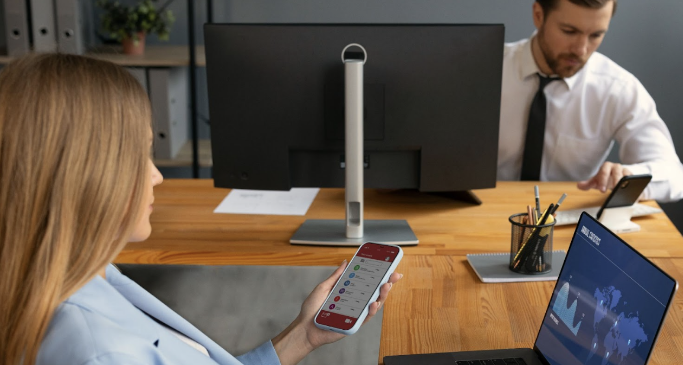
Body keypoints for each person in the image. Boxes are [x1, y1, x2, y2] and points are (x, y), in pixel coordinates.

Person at [0, 53, 402, 365]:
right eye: (140, 156)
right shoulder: (102, 352)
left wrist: (304, 334)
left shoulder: (89, 276)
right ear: (86, 175)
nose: (156, 176)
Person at [498, 0, 683, 203]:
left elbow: (674, 177)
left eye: (596, 35)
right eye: (569, 31)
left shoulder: (617, 88)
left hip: (567, 219)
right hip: (480, 212)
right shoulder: (483, 68)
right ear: (538, 15)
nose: (581, 49)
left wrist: (627, 175)